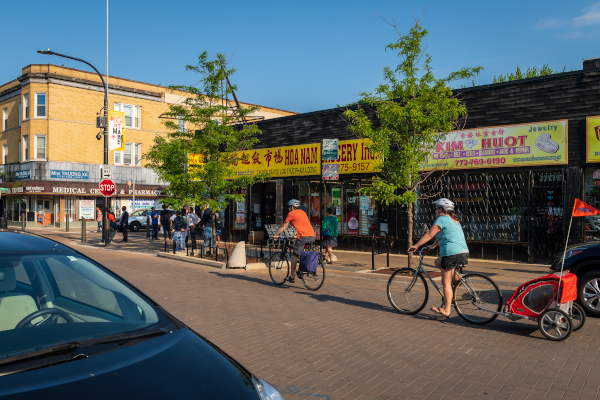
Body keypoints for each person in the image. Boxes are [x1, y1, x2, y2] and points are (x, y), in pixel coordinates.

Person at [408, 198, 469, 318]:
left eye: (436, 208)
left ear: (441, 209)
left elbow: (430, 234)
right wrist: (432, 245)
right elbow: (441, 235)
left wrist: (416, 245)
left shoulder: (441, 219)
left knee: (445, 283)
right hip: (463, 252)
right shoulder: (454, 219)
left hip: (451, 254)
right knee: (437, 262)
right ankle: (456, 278)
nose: (435, 210)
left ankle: (446, 309)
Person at [273, 199, 315, 284]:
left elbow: (284, 226)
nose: (288, 208)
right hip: (311, 236)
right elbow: (303, 225)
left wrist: (276, 235)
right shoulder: (303, 212)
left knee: (294, 256)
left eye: (289, 207)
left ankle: (292, 276)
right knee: (300, 251)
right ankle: (301, 268)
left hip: (303, 237)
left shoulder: (291, 214)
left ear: (292, 207)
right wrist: (296, 235)